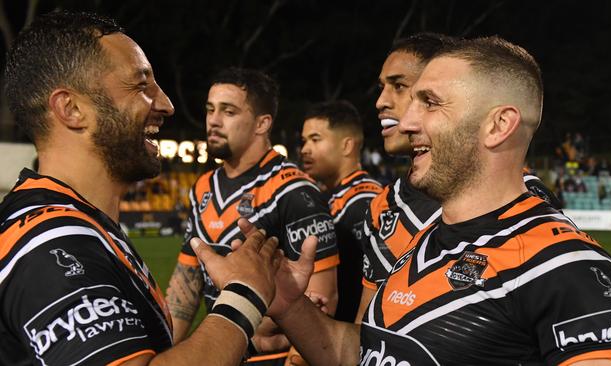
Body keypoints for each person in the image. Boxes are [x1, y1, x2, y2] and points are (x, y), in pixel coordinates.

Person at [263, 36, 611, 365]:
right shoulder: (420, 244)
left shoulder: (567, 270)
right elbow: (366, 352)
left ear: (498, 125)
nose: (408, 122)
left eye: (430, 103)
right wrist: (290, 306)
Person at [0, 11, 296, 366]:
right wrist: (243, 295)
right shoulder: (51, 245)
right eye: (140, 85)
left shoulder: (83, 226)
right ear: (72, 109)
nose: (167, 105)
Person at [358, 32, 562, 324]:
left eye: (400, 86)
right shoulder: (383, 207)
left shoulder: (518, 199)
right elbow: (366, 335)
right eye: (382, 87)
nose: (381, 102)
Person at [165, 68, 339, 364]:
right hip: (222, 353)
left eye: (228, 111)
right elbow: (187, 285)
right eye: (210, 110)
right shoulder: (202, 188)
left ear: (262, 124)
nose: (213, 121)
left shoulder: (293, 191)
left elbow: (323, 299)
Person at [300, 100, 383, 323]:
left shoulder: (366, 202)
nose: (305, 149)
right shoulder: (328, 195)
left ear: (347, 146)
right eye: (304, 141)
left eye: (315, 139)